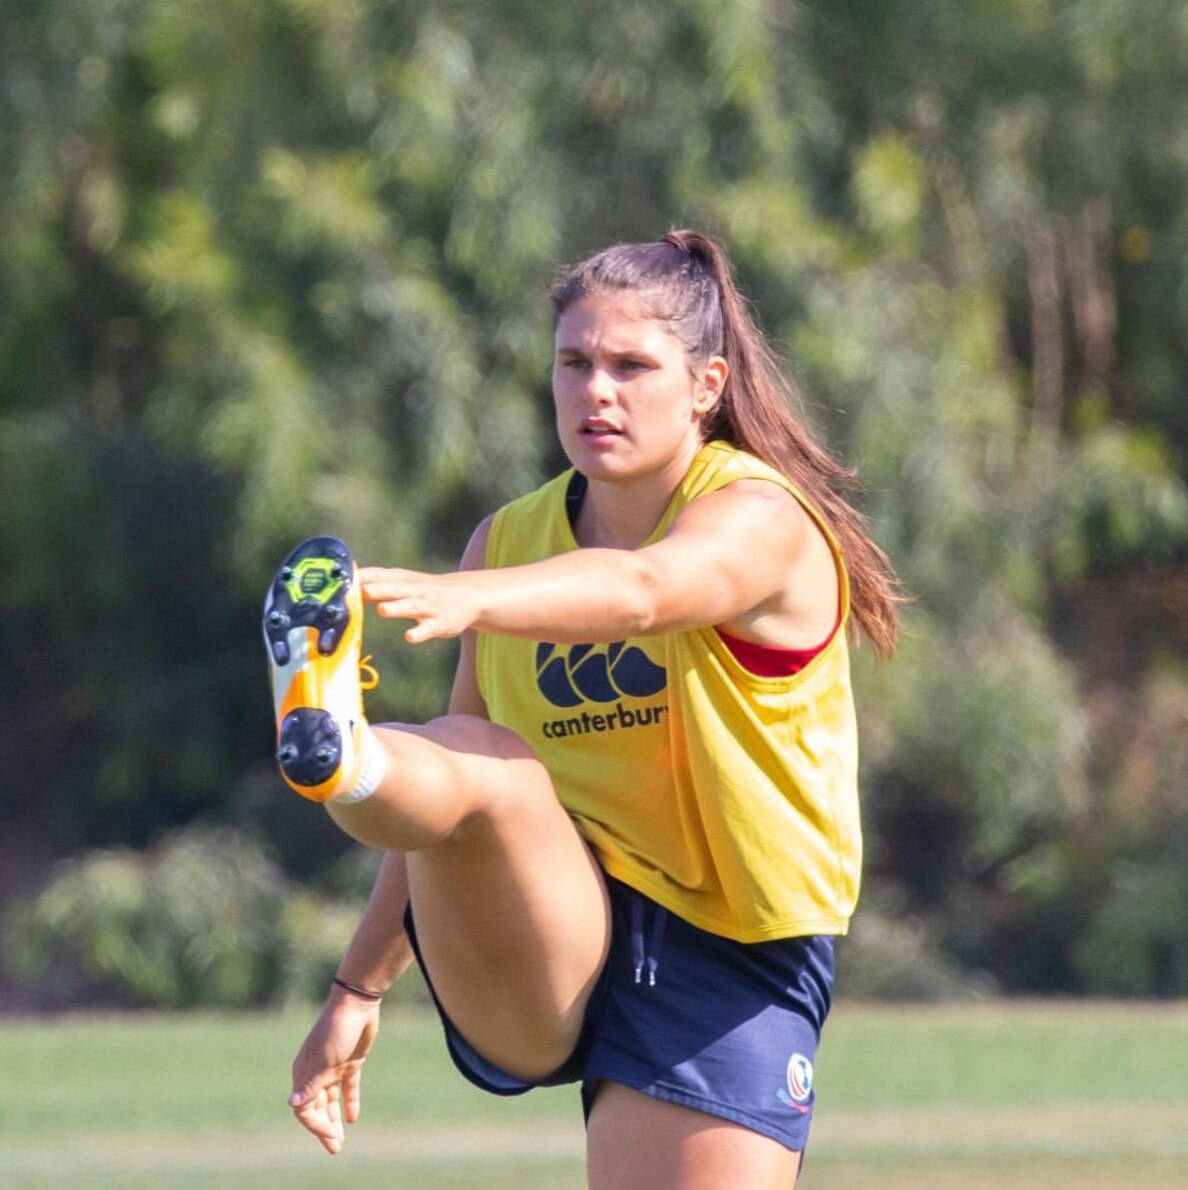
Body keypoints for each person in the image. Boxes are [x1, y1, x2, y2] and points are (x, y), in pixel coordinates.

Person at [263, 229, 901, 1189]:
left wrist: (476, 597)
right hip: (546, 920)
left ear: (706, 384)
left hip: (725, 953)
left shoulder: (762, 519)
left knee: (487, 760)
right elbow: (451, 812)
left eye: (631, 366)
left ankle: (355, 757)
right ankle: (347, 758)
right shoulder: (507, 538)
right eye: (574, 363)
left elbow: (648, 589)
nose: (596, 390)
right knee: (477, 760)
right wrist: (356, 988)